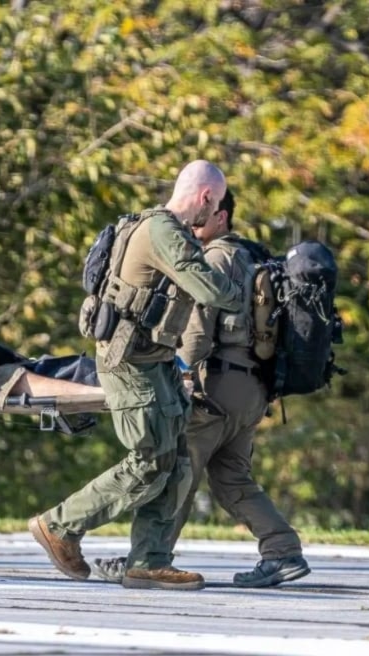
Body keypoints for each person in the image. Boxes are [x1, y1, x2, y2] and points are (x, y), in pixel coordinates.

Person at [28, 160, 243, 590]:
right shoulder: (163, 231)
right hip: (130, 365)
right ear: (205, 198)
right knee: (148, 460)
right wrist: (240, 289)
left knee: (175, 456)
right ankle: (60, 525)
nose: (213, 215)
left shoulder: (152, 226)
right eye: (215, 204)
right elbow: (211, 290)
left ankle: (149, 559)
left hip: (154, 360)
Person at [93, 190, 311, 588]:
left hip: (219, 385)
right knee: (232, 479)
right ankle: (283, 552)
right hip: (253, 389)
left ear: (221, 218)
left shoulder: (216, 259)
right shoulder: (254, 255)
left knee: (178, 467)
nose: (193, 226)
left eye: (202, 218)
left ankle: (146, 559)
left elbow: (196, 333)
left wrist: (177, 372)